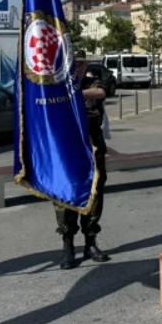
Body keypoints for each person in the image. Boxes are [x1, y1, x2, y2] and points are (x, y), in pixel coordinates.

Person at [56, 50, 110, 269]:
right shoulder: (56, 87)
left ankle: (90, 242)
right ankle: (68, 245)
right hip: (67, 153)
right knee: (65, 196)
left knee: (94, 195)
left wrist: (74, 92)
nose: (77, 68)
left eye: (80, 65)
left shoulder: (92, 82)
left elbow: (101, 92)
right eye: (73, 65)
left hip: (92, 149)